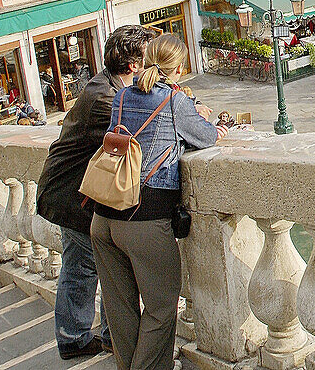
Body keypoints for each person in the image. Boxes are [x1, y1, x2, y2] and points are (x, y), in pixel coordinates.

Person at [90, 34, 221, 370]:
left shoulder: (120, 95)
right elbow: (204, 137)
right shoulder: (173, 100)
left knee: (119, 310)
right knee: (161, 308)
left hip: (103, 219)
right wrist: (206, 118)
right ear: (179, 67)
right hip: (144, 217)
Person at [37, 25, 156, 361]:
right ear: (134, 65)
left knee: (101, 265)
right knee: (83, 266)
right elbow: (146, 131)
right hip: (69, 196)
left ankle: (106, 335)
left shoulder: (113, 86)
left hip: (80, 194)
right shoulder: (104, 98)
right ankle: (72, 338)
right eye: (152, 57)